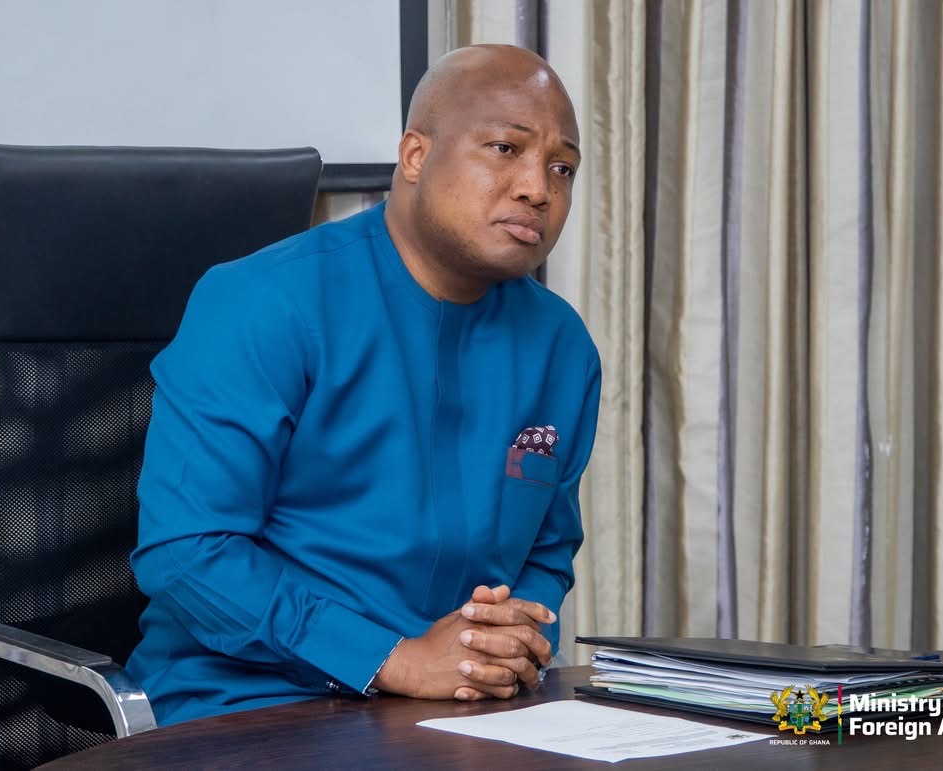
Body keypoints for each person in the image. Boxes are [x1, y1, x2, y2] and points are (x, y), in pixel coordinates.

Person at [125, 44, 602, 726]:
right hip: (249, 703)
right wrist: (394, 659)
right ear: (415, 156)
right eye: (505, 148)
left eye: (562, 168)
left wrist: (500, 647)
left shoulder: (562, 346)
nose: (538, 188)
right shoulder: (264, 301)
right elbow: (188, 554)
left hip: (457, 712)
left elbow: (546, 552)